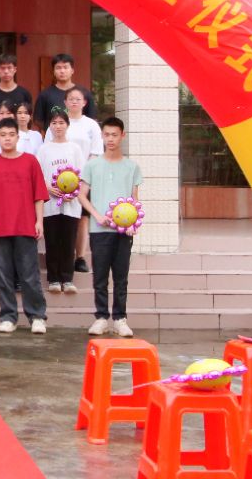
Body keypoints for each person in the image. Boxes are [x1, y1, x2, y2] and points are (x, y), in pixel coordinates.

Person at [0, 119, 49, 334]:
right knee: (3, 275)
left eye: (11, 134)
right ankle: (8, 316)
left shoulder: (30, 161)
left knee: (30, 274)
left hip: (25, 225)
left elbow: (39, 195)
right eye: (3, 135)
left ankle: (37, 316)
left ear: (18, 137)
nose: (7, 138)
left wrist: (39, 221)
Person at [79, 117, 143, 338]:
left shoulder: (131, 166)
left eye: (115, 135)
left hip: (123, 231)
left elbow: (134, 198)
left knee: (121, 276)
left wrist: (132, 223)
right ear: (102, 136)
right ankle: (101, 318)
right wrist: (97, 215)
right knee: (100, 276)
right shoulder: (92, 165)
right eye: (107, 135)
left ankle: (120, 318)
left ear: (122, 136)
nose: (110, 139)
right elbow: (81, 195)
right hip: (99, 231)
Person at [45, 87, 104, 274]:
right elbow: (47, 151)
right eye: (71, 99)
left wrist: (81, 178)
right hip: (56, 181)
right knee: (59, 218)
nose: (74, 102)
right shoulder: (56, 123)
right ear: (65, 102)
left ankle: (80, 257)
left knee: (82, 217)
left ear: (84, 102)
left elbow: (96, 152)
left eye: (78, 99)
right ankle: (61, 261)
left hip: (83, 179)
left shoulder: (91, 125)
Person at [37, 109, 85, 295]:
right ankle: (54, 279)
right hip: (50, 203)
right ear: (49, 126)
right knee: (52, 241)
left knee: (68, 241)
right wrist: (48, 188)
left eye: (61, 123)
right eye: (54, 123)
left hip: (71, 204)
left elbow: (82, 175)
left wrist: (74, 191)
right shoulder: (44, 149)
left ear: (67, 125)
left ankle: (68, 278)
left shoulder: (75, 149)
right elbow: (38, 175)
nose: (58, 126)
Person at [35, 53, 97, 128]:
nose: (62, 71)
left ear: (72, 70)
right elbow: (39, 121)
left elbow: (92, 118)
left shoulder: (84, 93)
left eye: (65, 67)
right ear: (53, 71)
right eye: (58, 68)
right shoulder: (45, 94)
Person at [0, 54, 33, 124]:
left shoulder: (24, 94)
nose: (6, 71)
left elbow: (28, 118)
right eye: (3, 68)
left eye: (9, 68)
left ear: (15, 69)